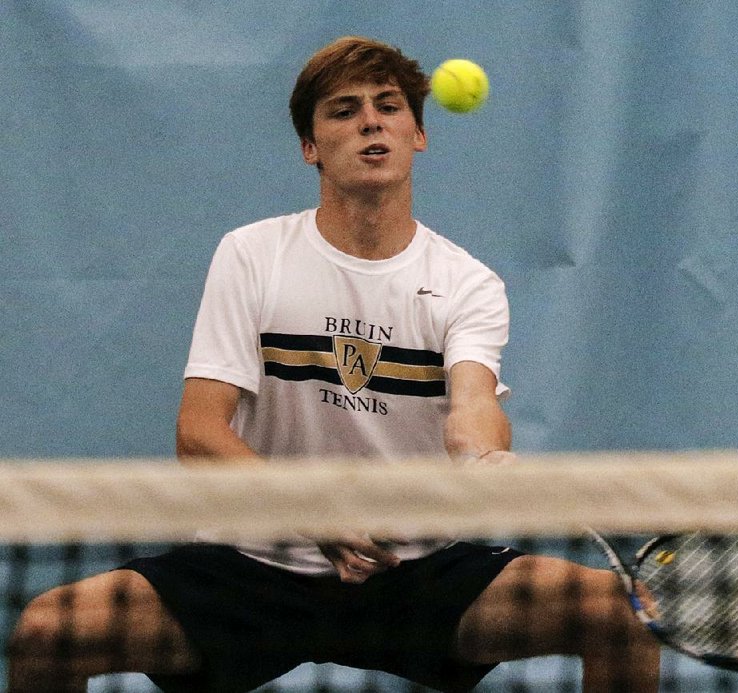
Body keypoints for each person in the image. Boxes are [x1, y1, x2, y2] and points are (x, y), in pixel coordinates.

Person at [8, 36, 660, 693]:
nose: (370, 121)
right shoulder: (252, 255)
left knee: (616, 612)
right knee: (49, 630)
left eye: (388, 106)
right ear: (310, 147)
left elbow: (472, 405)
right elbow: (199, 433)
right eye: (343, 110)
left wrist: (483, 456)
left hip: (413, 571)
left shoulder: (466, 282)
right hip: (252, 563)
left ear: (419, 135)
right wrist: (310, 511)